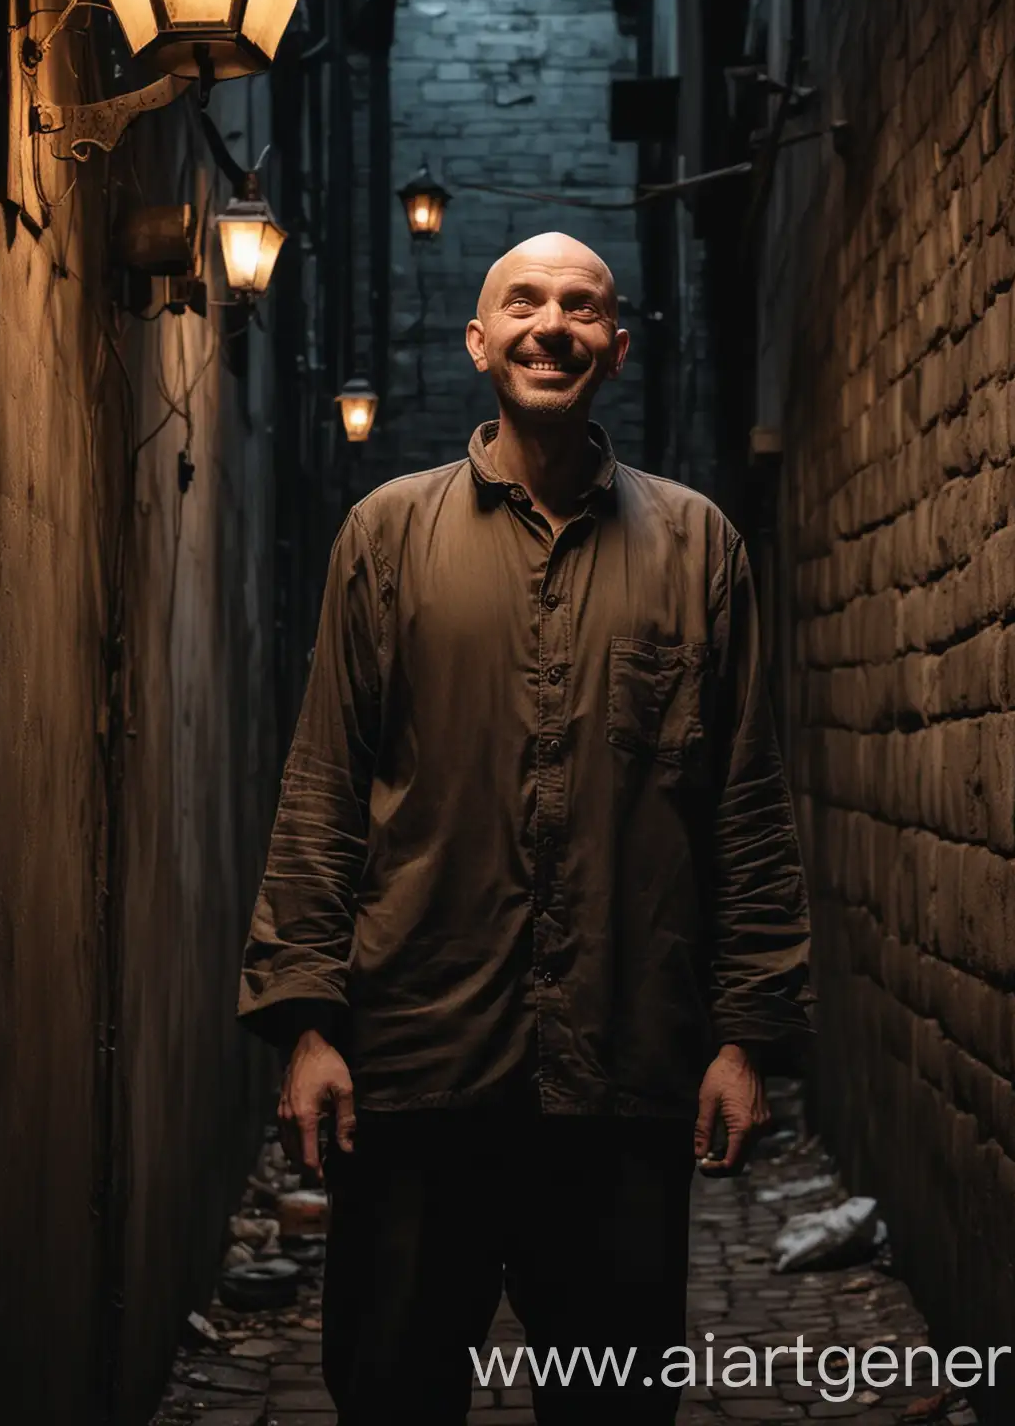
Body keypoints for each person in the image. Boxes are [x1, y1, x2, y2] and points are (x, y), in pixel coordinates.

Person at [237, 231, 811, 1424]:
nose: (553, 325)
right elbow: (324, 789)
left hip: (620, 1078)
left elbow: (746, 808)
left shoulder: (700, 549)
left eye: (582, 308)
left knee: (610, 1401)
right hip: (414, 1077)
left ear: (616, 347)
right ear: (480, 339)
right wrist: (307, 1027)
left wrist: (746, 1038)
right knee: (391, 1392)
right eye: (527, 303)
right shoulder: (387, 538)